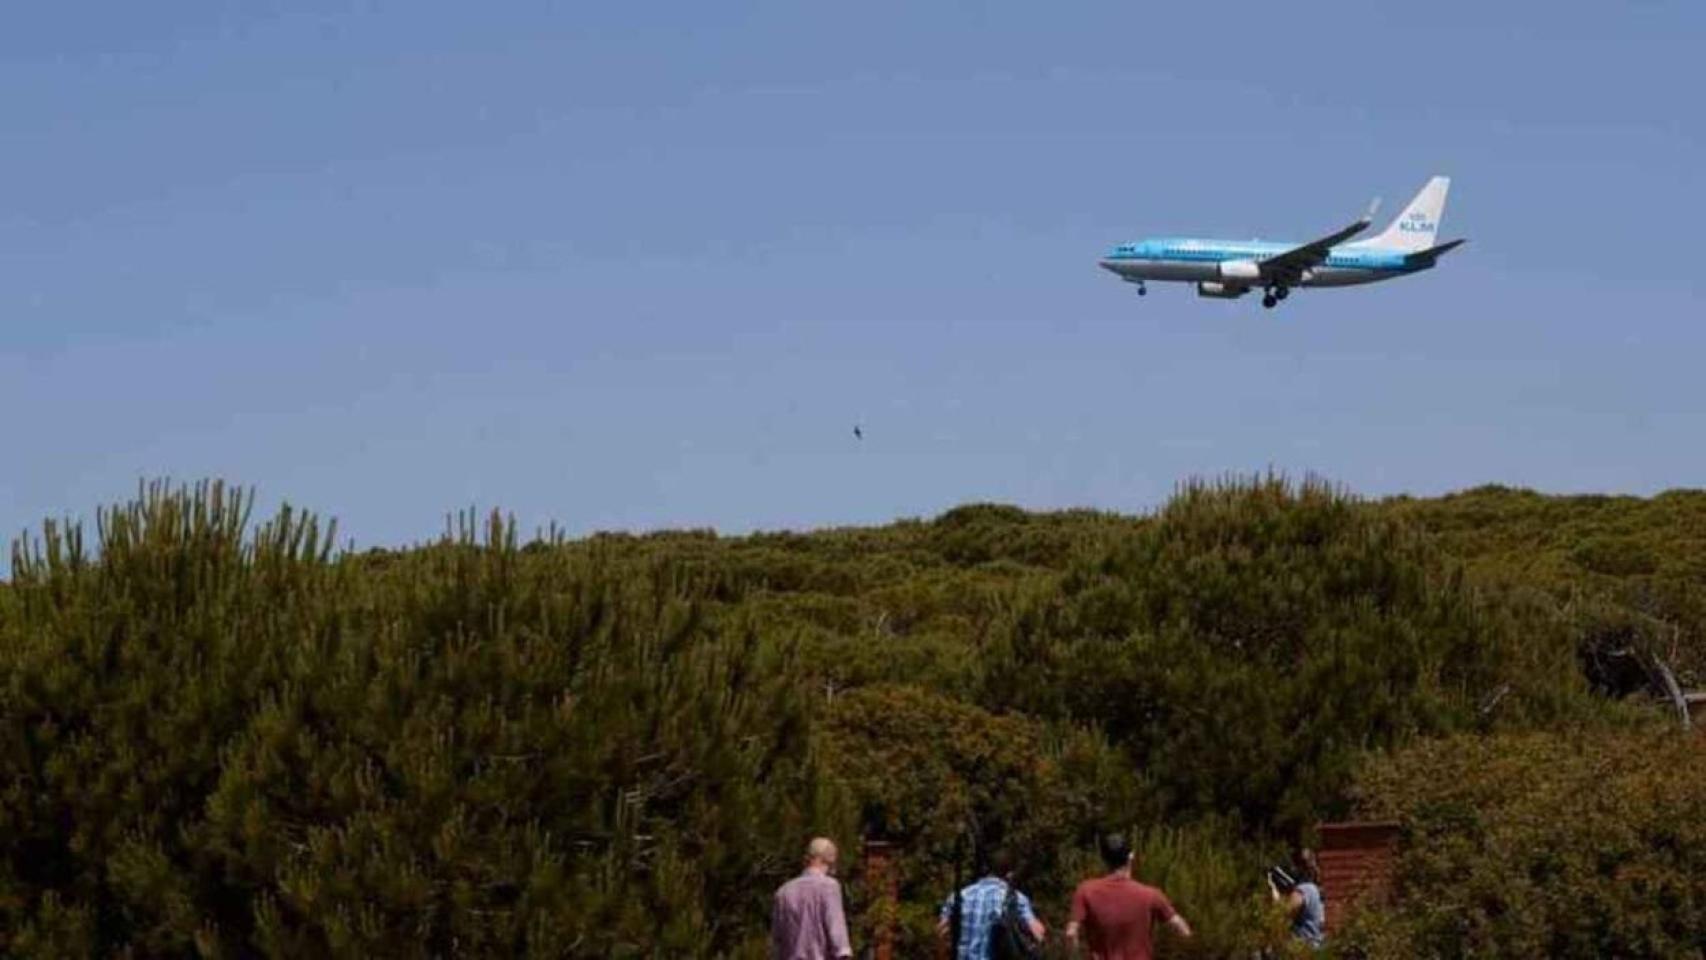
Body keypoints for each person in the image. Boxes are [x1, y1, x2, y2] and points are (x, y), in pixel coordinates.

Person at [1065, 834, 1192, 960]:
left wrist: (1075, 955)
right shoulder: (1151, 894)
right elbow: (1182, 929)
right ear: (1131, 857)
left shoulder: (1086, 890)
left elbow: (1070, 933)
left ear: (1104, 859)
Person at [937, 847, 1047, 959]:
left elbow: (942, 934)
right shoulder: (1016, 899)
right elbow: (1037, 934)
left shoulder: (958, 896)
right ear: (1010, 874)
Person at [771, 837, 854, 960]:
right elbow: (837, 934)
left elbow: (778, 939)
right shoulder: (829, 887)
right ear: (830, 860)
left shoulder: (783, 892)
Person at [1268, 849, 1326, 950]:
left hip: (1303, 948)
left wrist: (1275, 893)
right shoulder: (1315, 890)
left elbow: (1282, 914)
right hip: (1315, 946)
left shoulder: (1303, 890)